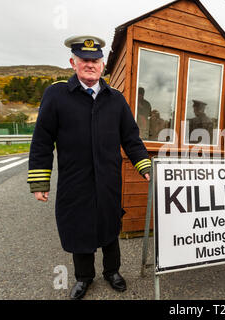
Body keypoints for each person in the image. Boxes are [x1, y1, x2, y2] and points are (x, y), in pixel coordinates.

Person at [27, 35, 151, 299]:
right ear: (73, 62)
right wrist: (39, 181)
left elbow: (131, 138)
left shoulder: (115, 99)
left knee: (109, 227)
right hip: (75, 181)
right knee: (79, 227)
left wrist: (145, 166)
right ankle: (84, 278)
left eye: (95, 60)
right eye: (85, 60)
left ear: (102, 65)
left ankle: (112, 271)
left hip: (108, 180)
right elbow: (42, 141)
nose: (90, 64)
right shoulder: (57, 94)